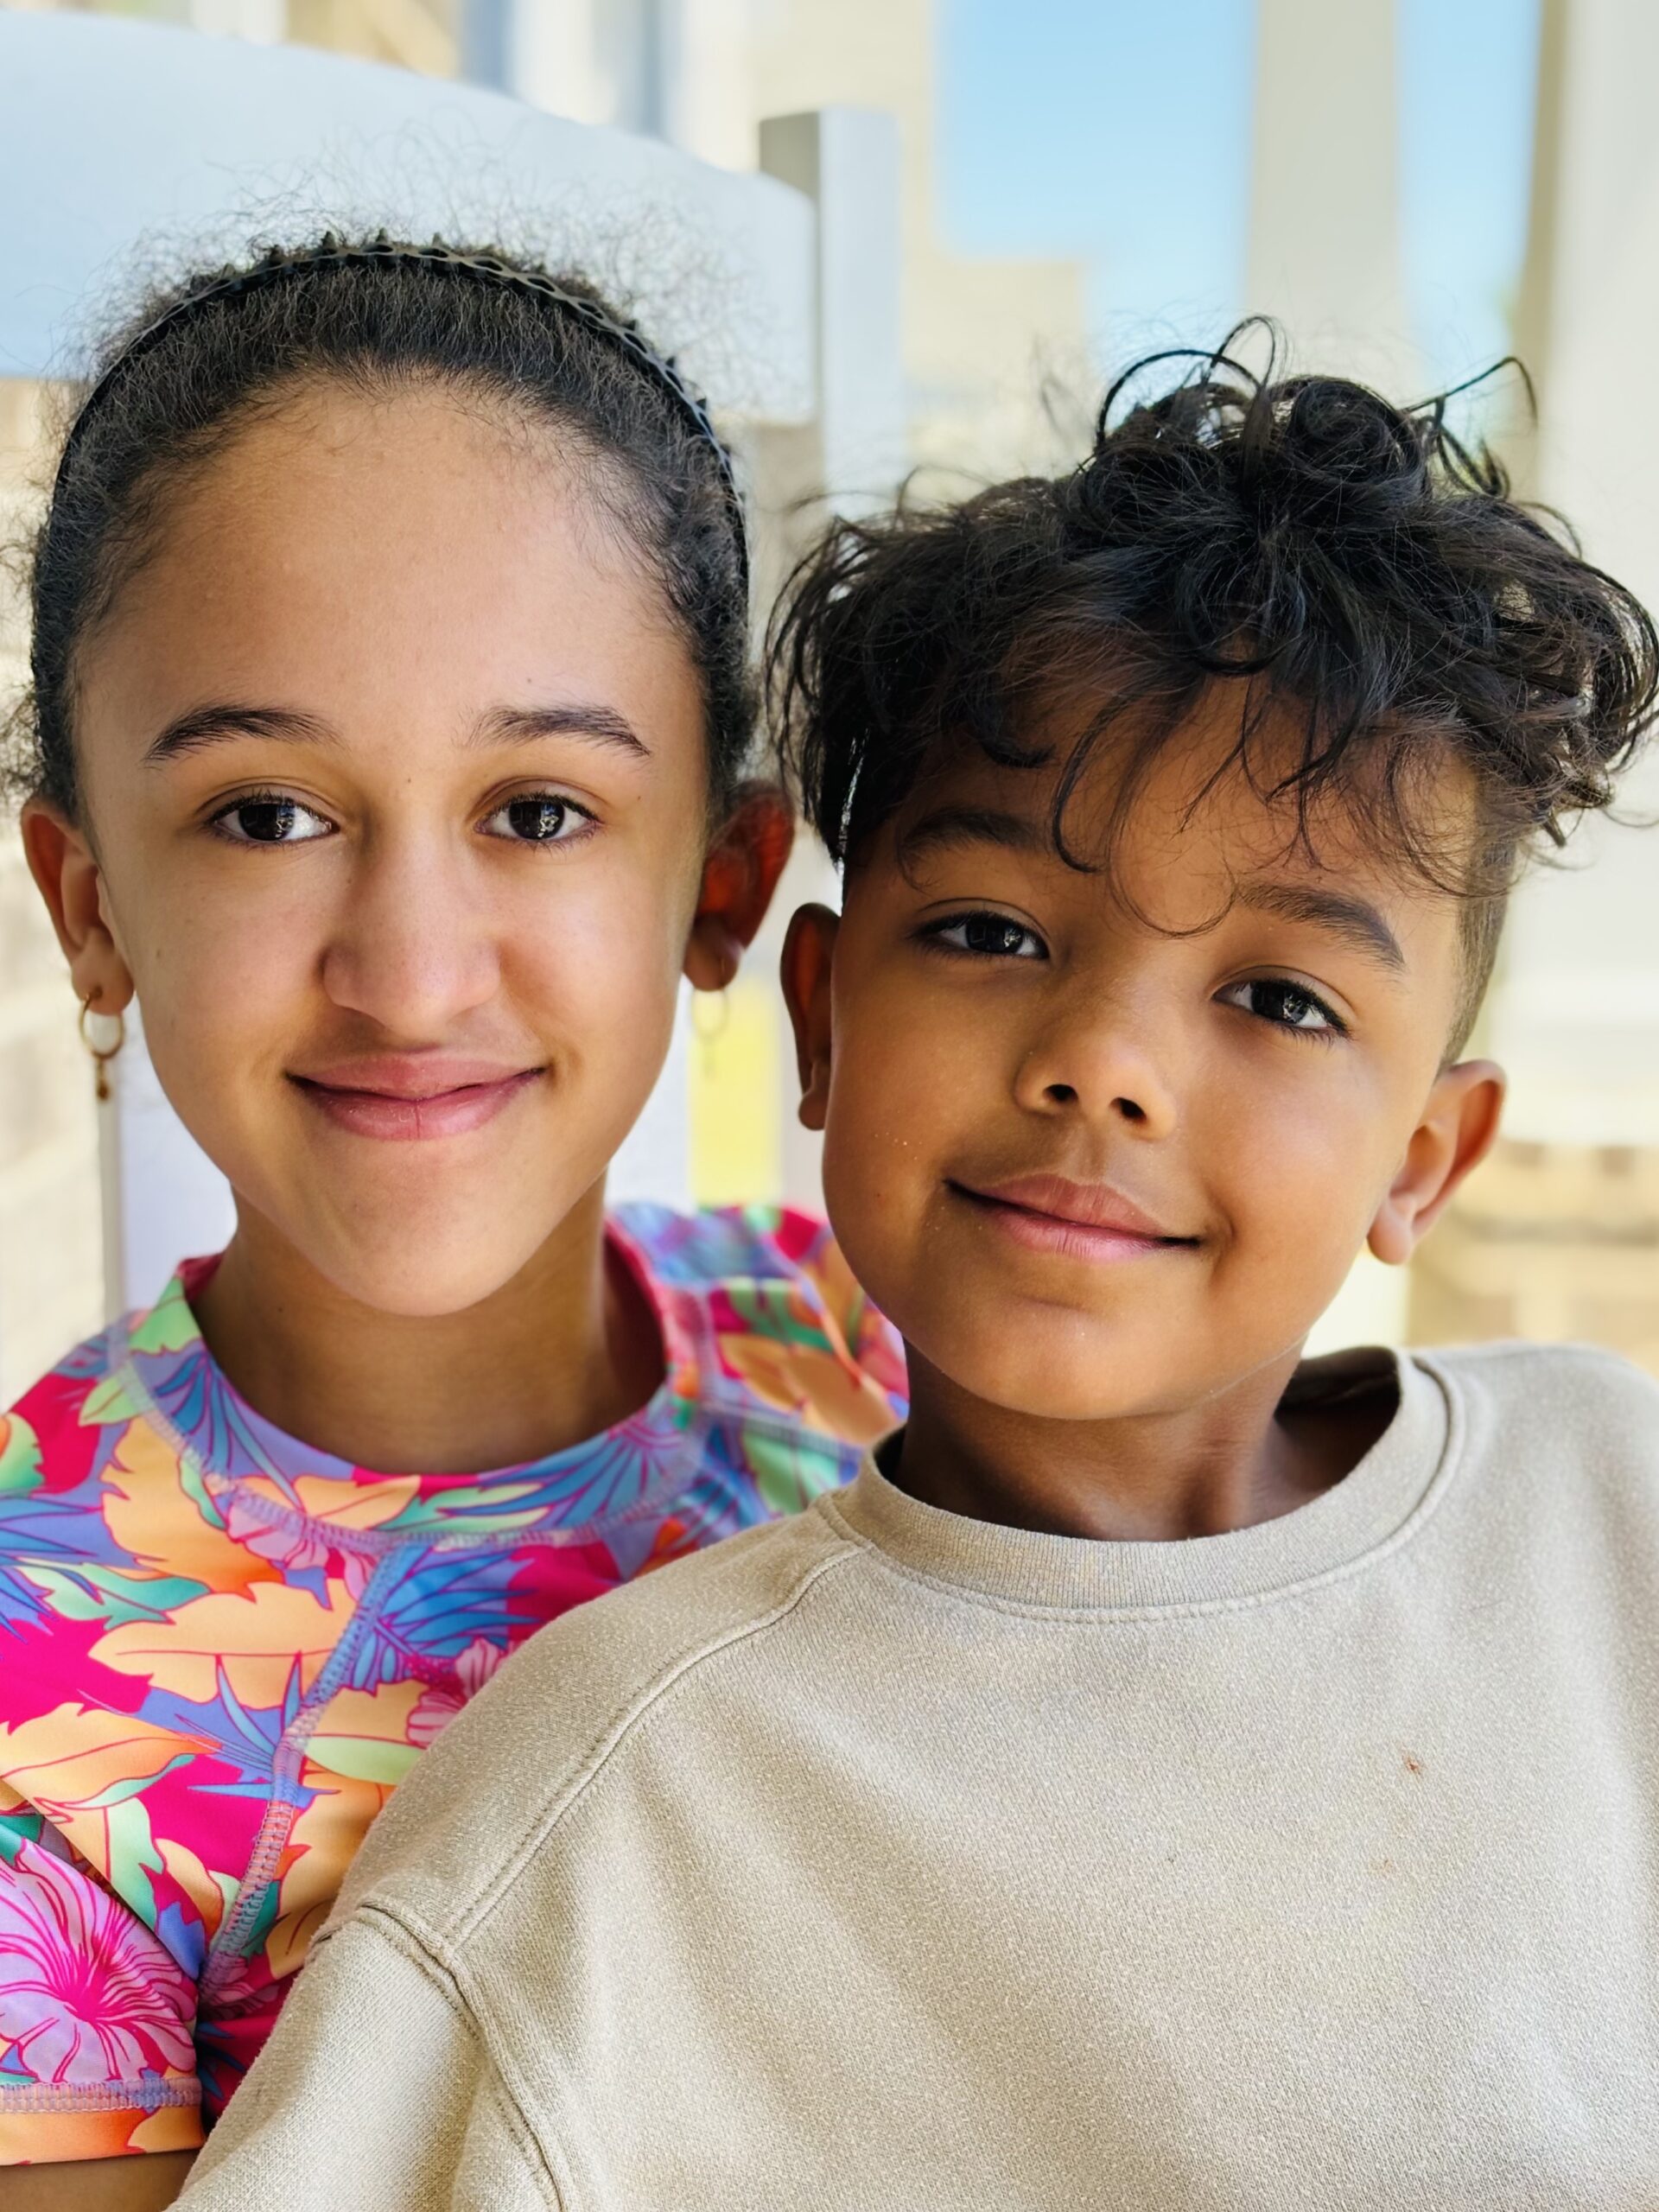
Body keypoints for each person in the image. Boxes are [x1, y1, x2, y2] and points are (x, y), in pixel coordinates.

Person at [175, 348, 1659, 2212]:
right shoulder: (618, 1792)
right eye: (987, 930)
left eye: (1282, 998)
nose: (1103, 1059)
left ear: (1424, 1158)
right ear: (820, 1018)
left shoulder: (1607, 1507)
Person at [0, 235, 906, 2209]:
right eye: (264, 811)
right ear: (87, 906)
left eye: (541, 807)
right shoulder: (28, 1690)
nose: (410, 973)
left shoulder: (881, 1350)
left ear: (725, 884)